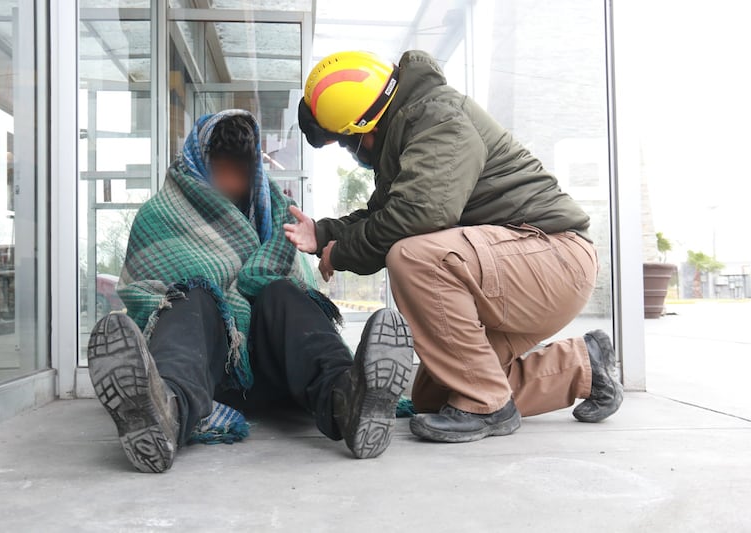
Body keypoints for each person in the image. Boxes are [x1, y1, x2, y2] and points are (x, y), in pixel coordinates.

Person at [285, 50, 623, 444]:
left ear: (365, 126)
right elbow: (385, 213)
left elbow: (418, 215)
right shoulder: (410, 130)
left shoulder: (438, 120)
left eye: (346, 143)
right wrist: (325, 235)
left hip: (553, 256)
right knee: (438, 393)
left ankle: (489, 406)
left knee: (412, 256)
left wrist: (340, 254)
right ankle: (584, 365)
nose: (351, 152)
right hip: (518, 263)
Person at [87, 110, 414, 473]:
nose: (230, 182)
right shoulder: (158, 216)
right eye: (220, 168)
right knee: (191, 297)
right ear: (198, 162)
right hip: (203, 376)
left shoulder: (276, 216)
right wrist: (208, 296)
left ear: (254, 172)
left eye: (240, 171)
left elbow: (299, 288)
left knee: (283, 293)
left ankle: (347, 399)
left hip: (278, 372)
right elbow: (144, 296)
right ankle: (165, 411)